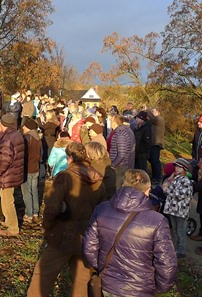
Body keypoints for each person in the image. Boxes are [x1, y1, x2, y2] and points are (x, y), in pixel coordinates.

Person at [82, 169, 177, 297]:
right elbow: (166, 262)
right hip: (139, 289)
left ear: (123, 185)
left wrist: (100, 267)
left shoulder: (102, 209)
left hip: (107, 284)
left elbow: (89, 247)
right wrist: (161, 287)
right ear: (148, 191)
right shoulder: (158, 221)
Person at [27, 142, 105, 297]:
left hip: (64, 234)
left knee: (43, 274)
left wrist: (47, 226)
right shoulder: (98, 178)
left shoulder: (65, 176)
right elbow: (102, 208)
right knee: (82, 280)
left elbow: (52, 207)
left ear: (69, 158)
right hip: (87, 236)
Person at [0, 114, 24, 236]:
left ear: (4, 124)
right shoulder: (16, 135)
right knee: (5, 198)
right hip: (14, 173)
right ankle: (8, 220)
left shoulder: (7, 140)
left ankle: (13, 228)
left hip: (7, 176)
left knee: (7, 201)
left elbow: (5, 161)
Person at [162, 158, 194, 259]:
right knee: (175, 229)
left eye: (179, 167)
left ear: (185, 169)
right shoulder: (176, 178)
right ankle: (177, 247)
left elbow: (179, 194)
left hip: (180, 211)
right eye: (176, 166)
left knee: (181, 230)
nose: (176, 168)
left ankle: (182, 250)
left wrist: (166, 190)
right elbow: (169, 186)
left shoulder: (186, 181)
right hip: (173, 209)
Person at [22, 119, 42, 222]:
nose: (23, 128)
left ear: (28, 127)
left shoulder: (27, 138)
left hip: (27, 168)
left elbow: (24, 154)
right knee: (34, 190)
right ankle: (35, 212)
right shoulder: (38, 138)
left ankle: (28, 214)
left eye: (24, 126)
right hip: (35, 167)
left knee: (27, 192)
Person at [108, 114, 136, 188]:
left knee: (118, 187)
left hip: (120, 166)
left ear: (114, 122)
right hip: (121, 165)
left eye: (111, 121)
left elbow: (122, 154)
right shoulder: (123, 130)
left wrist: (113, 165)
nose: (110, 122)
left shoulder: (120, 134)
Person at [148, 107, 165, 184]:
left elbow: (153, 119)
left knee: (155, 161)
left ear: (158, 112)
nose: (151, 113)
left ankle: (157, 177)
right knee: (151, 159)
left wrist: (147, 110)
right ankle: (155, 176)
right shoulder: (153, 121)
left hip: (156, 143)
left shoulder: (160, 119)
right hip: (152, 143)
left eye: (153, 111)